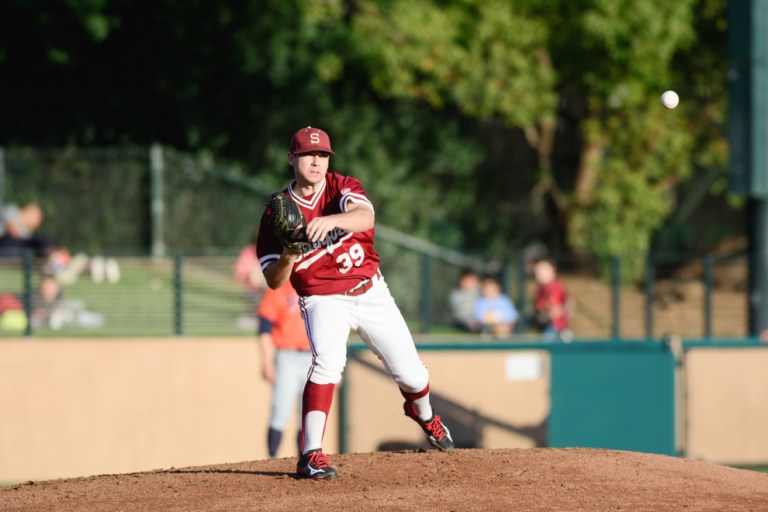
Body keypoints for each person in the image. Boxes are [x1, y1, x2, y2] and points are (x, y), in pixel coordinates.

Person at [256, 126, 454, 480]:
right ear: (292, 159)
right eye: (307, 155)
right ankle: (311, 454)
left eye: (322, 156)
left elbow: (366, 217)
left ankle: (423, 415)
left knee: (413, 374)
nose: (316, 161)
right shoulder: (277, 212)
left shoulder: (340, 186)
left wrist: (330, 220)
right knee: (328, 364)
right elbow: (273, 280)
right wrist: (288, 254)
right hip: (322, 298)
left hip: (370, 289)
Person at [257, 281, 313, 459]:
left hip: (313, 357)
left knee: (307, 416)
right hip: (287, 356)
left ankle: (305, 460)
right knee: (280, 412)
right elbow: (264, 327)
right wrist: (266, 361)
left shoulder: (316, 283)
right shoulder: (280, 286)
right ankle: (271, 458)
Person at [531, 257, 573, 342]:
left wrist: (548, 315)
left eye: (543, 270)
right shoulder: (541, 289)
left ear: (552, 271)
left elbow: (564, 305)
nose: (539, 273)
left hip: (555, 329)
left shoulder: (554, 287)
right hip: (547, 328)